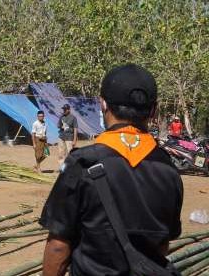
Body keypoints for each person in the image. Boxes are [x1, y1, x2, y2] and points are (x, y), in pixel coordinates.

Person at [40, 64, 183, 275]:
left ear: (103, 104)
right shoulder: (169, 171)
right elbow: (162, 244)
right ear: (154, 110)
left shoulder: (82, 163)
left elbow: (59, 246)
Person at [57, 104, 78, 169]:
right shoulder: (61, 117)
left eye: (65, 109)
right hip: (61, 137)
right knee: (61, 154)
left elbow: (75, 129)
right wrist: (61, 126)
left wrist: (74, 140)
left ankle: (71, 168)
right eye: (63, 109)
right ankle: (62, 169)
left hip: (69, 138)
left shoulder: (73, 118)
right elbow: (58, 125)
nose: (64, 110)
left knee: (70, 154)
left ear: (69, 110)